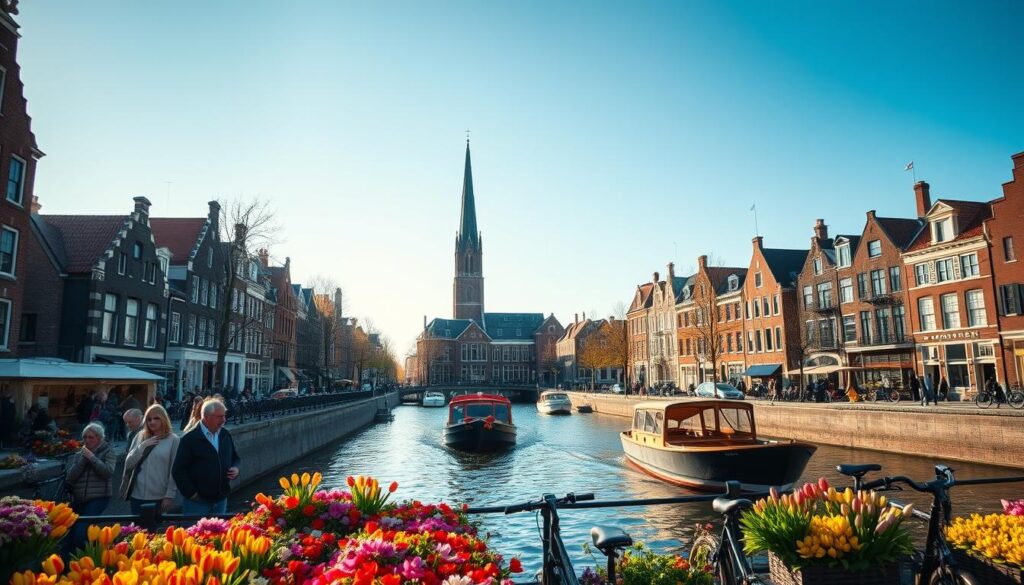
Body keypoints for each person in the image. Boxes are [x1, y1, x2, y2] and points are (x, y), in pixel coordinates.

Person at [172, 399, 241, 516]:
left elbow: (235, 457)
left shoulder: (225, 435)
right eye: (219, 417)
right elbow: (178, 470)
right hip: (198, 502)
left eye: (224, 416)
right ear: (207, 417)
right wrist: (192, 494)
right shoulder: (190, 439)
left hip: (220, 499)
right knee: (194, 533)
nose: (224, 420)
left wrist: (236, 468)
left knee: (218, 534)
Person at [66, 422, 117, 551]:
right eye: (85, 437)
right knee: (69, 532)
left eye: (91, 437)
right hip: (79, 498)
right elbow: (70, 477)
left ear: (99, 439)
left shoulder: (108, 452)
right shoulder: (80, 455)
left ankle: (89, 556)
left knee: (81, 532)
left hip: (98, 497)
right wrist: (83, 460)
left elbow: (107, 472)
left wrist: (92, 458)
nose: (87, 440)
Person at [121, 404, 180, 515]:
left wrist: (169, 495)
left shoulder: (173, 440)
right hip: (137, 495)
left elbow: (174, 470)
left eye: (156, 418)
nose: (152, 422)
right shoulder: (140, 436)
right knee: (137, 531)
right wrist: (141, 447)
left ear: (163, 418)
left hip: (159, 496)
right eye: (148, 419)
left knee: (156, 531)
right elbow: (128, 464)